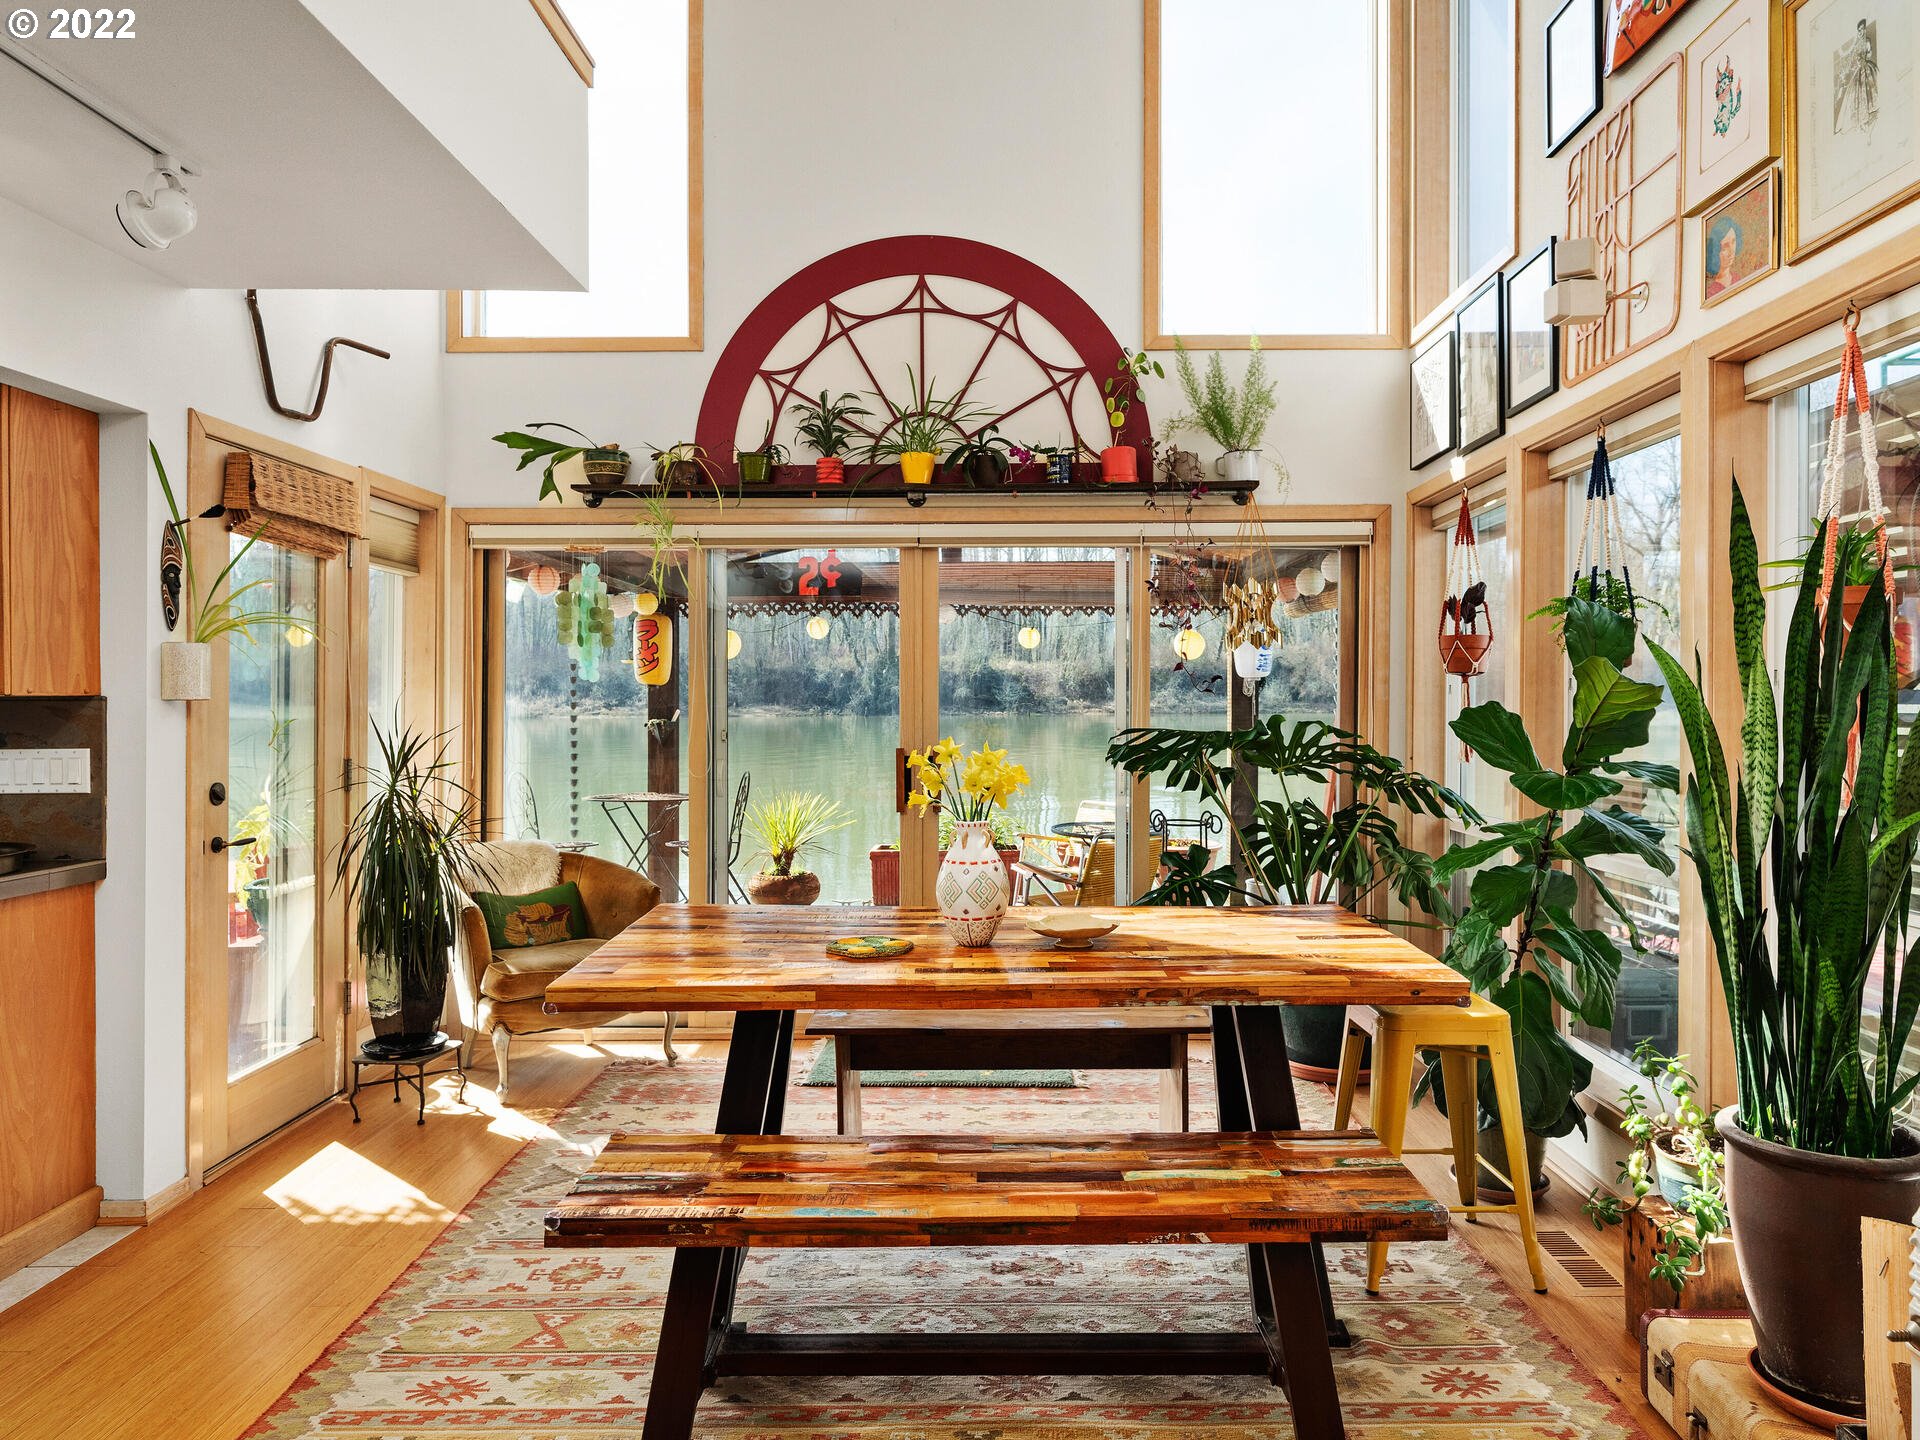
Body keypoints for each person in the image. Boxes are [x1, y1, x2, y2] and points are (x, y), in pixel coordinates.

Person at [1835, 18, 1880, 135]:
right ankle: (1862, 118)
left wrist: (1866, 58)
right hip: (1859, 70)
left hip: (1867, 67)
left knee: (1870, 88)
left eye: (1862, 29)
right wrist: (1857, 62)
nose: (1860, 32)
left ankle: (1870, 112)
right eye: (1859, 30)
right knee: (1857, 92)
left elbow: (1870, 53)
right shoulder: (1856, 46)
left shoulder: (1867, 41)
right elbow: (1852, 60)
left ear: (1865, 29)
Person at [1705, 216, 1745, 300]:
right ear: (1716, 250)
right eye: (1725, 246)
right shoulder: (1710, 292)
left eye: (1733, 241)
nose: (1731, 252)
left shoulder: (1737, 278)